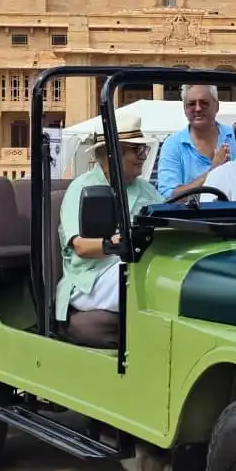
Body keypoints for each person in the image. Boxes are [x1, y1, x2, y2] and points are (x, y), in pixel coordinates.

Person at [55, 109, 162, 322]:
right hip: (91, 279)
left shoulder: (147, 190)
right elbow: (81, 247)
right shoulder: (82, 188)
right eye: (137, 150)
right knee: (145, 276)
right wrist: (115, 242)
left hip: (137, 263)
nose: (143, 156)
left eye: (144, 150)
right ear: (114, 154)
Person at [155, 83, 236, 199]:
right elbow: (170, 197)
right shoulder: (173, 145)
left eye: (204, 103)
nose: (198, 108)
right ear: (184, 109)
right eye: (191, 104)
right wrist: (212, 171)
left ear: (217, 106)